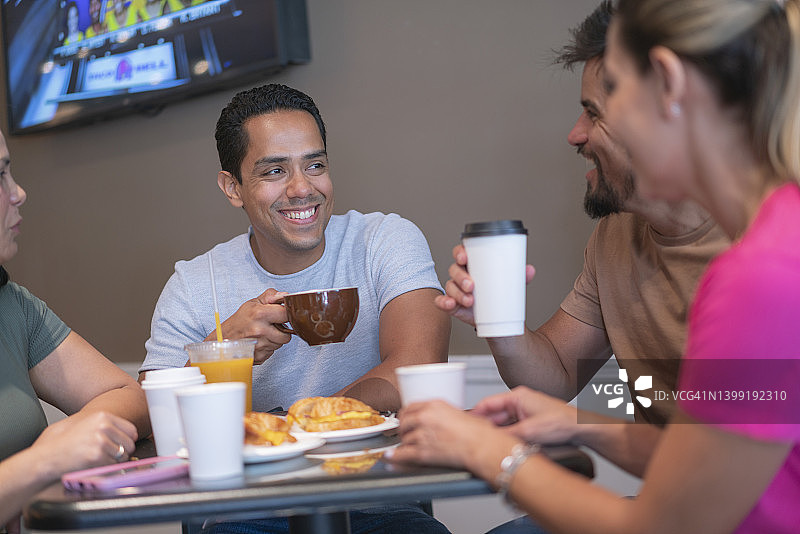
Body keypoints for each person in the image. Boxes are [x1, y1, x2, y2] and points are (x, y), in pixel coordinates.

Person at [389, 0, 800, 532]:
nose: (577, 134)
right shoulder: (778, 239)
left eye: (613, 96)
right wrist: (579, 425)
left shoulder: (764, 276)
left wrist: (485, 451)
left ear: (670, 85)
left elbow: (663, 527)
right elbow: (712, 464)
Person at [436, 0, 727, 481]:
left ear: (667, 114)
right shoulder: (616, 234)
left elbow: (725, 465)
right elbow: (553, 379)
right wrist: (500, 322)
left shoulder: (766, 251)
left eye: (593, 113)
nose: (575, 135)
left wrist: (573, 429)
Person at [140, 83, 451, 533]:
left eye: (315, 165)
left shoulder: (384, 240)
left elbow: (415, 365)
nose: (303, 188)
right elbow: (153, 416)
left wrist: (298, 427)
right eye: (273, 172)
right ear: (233, 187)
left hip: (378, 501)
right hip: (245, 512)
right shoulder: (193, 283)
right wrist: (221, 347)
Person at [0, 129, 150, 534]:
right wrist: (42, 463)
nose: (18, 193)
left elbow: (127, 396)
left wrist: (63, 439)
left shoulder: (12, 305)